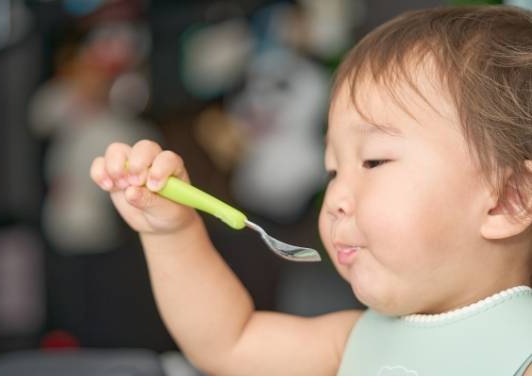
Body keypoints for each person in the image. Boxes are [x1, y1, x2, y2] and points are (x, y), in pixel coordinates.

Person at [90, 5, 532, 375]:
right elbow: (229, 342)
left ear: (509, 200)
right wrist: (172, 232)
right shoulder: (354, 341)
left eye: (374, 161)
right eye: (332, 172)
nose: (335, 199)